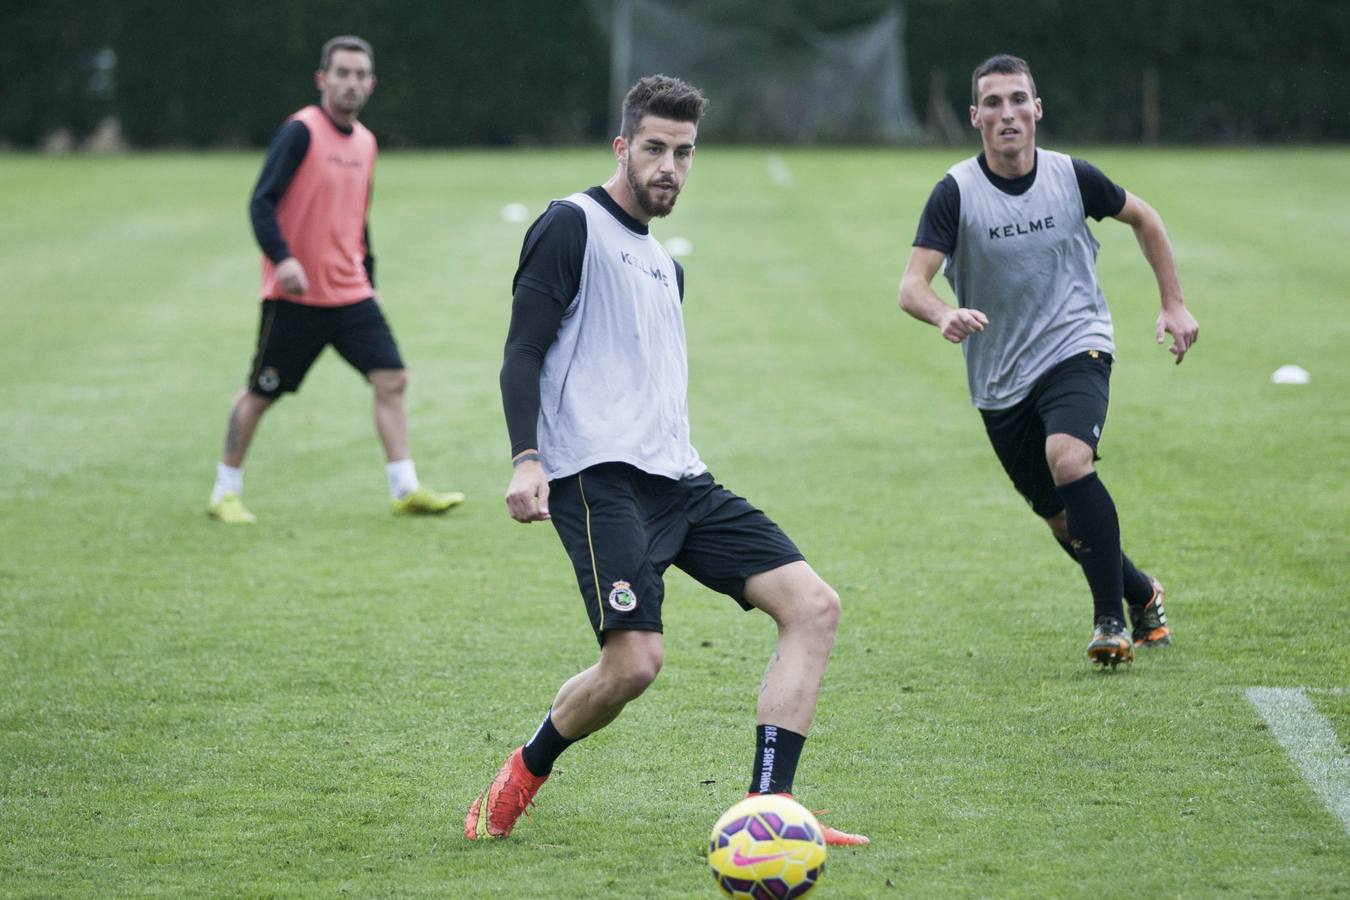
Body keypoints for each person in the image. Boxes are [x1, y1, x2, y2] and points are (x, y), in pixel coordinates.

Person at [464, 75, 868, 845]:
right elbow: (522, 351)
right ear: (623, 147)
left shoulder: (665, 266)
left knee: (814, 607)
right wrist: (526, 459)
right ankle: (525, 770)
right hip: (597, 479)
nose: (669, 166)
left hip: (681, 482)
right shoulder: (569, 225)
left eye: (684, 152)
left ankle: (767, 813)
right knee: (634, 666)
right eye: (654, 148)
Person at [897, 54, 1199, 668]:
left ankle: (1109, 621)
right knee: (1064, 520)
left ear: (1037, 110)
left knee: (1069, 457)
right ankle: (1141, 593)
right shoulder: (956, 193)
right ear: (975, 116)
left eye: (1017, 100)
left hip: (1076, 344)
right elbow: (912, 286)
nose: (1006, 113)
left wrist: (1174, 303)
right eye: (993, 103)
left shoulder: (1072, 176)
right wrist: (942, 314)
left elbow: (1144, 218)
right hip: (1000, 378)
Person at [207, 35, 462, 524]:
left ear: (371, 83)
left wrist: (369, 278)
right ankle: (225, 491)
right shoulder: (300, 132)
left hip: (350, 295)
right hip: (295, 298)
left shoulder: (366, 142)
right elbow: (261, 201)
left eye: (360, 74)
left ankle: (405, 488)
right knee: (261, 392)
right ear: (322, 79)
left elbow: (356, 219)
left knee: (392, 377)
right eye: (341, 73)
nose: (351, 83)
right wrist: (282, 259)